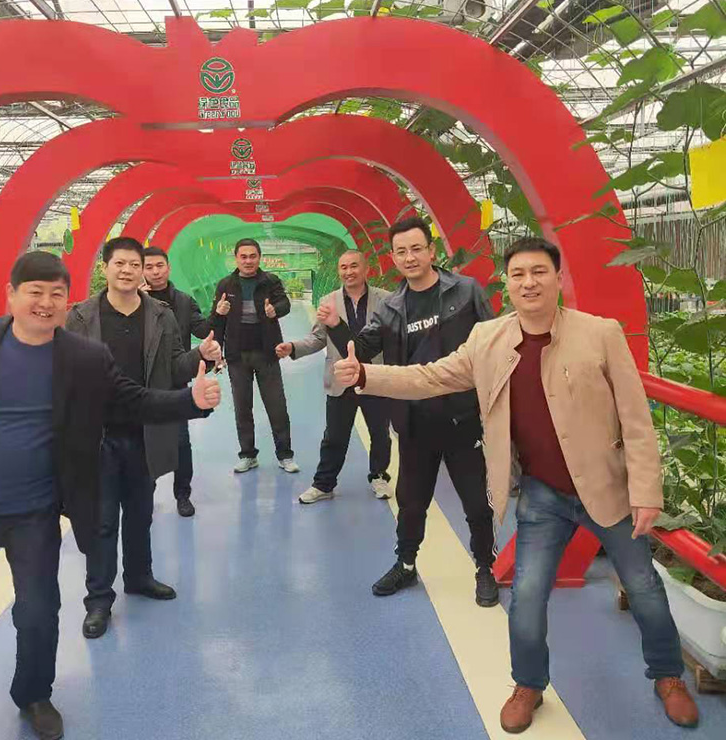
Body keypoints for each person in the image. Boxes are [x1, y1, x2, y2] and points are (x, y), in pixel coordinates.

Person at [332, 236, 700, 733]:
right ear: (506, 285)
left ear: (558, 278)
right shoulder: (488, 340)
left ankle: (668, 677)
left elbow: (636, 418)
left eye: (539, 272)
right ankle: (528, 683)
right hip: (543, 493)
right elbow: (431, 377)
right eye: (519, 274)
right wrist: (365, 376)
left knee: (644, 588)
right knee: (526, 595)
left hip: (606, 486)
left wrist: (646, 492)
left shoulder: (600, 334)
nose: (529, 283)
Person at [0, 252, 220, 740]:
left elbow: (133, 399)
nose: (45, 303)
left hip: (34, 513)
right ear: (11, 295)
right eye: (34, 292)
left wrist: (191, 401)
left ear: (67, 301)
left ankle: (34, 694)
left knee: (38, 613)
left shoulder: (83, 357)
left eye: (56, 294)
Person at [320, 217, 498, 606]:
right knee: (411, 502)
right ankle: (406, 564)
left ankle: (485, 567)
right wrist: (336, 327)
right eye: (401, 251)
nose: (409, 257)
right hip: (414, 422)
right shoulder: (391, 307)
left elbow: (494, 343)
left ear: (432, 251)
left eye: (416, 248)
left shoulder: (466, 292)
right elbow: (361, 349)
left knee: (475, 503)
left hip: (462, 419)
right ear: (393, 258)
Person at [66, 238, 221, 640]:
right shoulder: (81, 317)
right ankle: (99, 600)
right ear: (105, 268)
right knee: (102, 520)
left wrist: (201, 356)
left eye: (134, 264)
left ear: (143, 271)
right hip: (98, 436)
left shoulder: (160, 315)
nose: (127, 271)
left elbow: (174, 366)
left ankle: (138, 577)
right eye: (119, 263)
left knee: (140, 512)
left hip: (145, 431)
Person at [275, 250, 393, 504]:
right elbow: (318, 338)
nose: (348, 272)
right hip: (341, 379)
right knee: (335, 436)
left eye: (354, 266)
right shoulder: (329, 301)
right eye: (343, 267)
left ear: (366, 269)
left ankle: (378, 476)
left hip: (374, 377)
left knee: (380, 433)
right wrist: (293, 347)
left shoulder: (386, 300)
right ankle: (324, 484)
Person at [212, 238, 299, 474]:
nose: (248, 261)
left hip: (267, 352)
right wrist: (217, 352)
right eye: (244, 256)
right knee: (242, 407)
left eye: (253, 256)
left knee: (276, 406)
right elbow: (217, 321)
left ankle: (285, 455)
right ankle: (248, 455)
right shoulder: (226, 285)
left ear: (259, 258)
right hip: (237, 355)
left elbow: (285, 303)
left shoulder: (270, 281)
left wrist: (275, 310)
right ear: (236, 258)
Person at [141, 246, 214, 517]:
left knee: (181, 442)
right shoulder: (132, 302)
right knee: (143, 443)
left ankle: (182, 494)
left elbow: (203, 329)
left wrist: (219, 314)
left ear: (168, 268)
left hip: (174, 379)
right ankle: (145, 493)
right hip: (142, 384)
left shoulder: (183, 302)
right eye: (149, 267)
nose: (155, 272)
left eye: (159, 266)